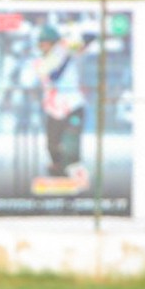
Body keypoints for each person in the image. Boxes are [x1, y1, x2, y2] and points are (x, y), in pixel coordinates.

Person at [34, 23, 88, 177]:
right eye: (41, 44)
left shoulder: (65, 54)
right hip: (54, 109)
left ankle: (74, 171)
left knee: (71, 143)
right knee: (52, 145)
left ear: (53, 44)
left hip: (73, 106)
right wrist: (66, 56)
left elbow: (87, 40)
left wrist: (72, 47)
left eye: (46, 43)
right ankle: (58, 172)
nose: (43, 47)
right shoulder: (41, 63)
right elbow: (54, 76)